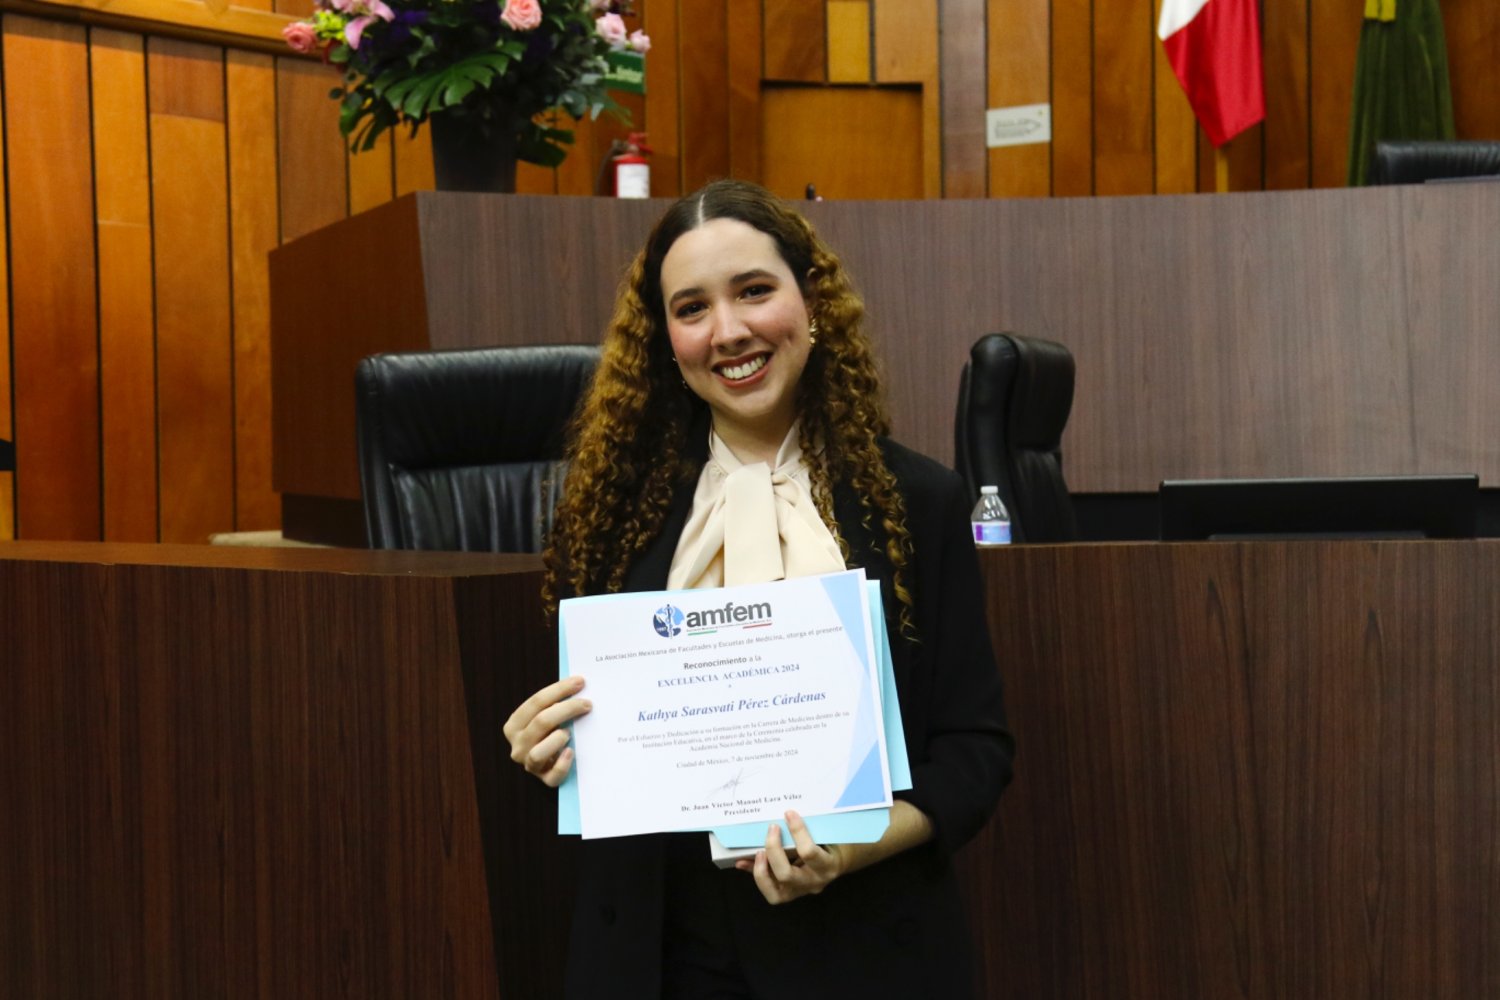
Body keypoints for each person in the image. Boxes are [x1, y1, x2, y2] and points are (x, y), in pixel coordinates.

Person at [503, 179, 1014, 999]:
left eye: (753, 291)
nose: (729, 331)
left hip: (863, 948)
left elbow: (974, 753)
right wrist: (551, 747)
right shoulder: (608, 512)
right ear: (665, 339)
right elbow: (591, 739)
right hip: (656, 955)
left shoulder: (918, 501)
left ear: (810, 302)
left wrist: (847, 847)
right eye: (692, 308)